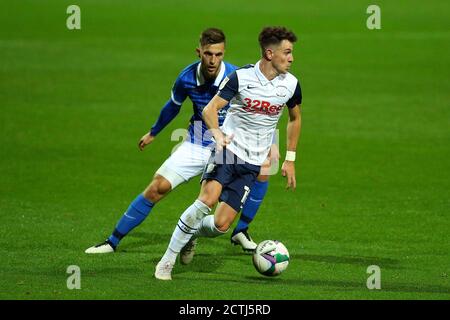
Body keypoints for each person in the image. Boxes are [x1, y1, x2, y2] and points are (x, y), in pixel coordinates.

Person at [85, 28, 274, 254]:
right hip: (198, 141)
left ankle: (240, 231)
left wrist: (270, 144)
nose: (213, 60)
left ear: (224, 53)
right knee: (158, 187)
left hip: (230, 149)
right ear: (199, 52)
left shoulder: (237, 77)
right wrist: (153, 132)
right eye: (208, 54)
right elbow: (173, 106)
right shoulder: (186, 78)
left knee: (264, 170)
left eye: (218, 54)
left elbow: (262, 112)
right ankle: (112, 241)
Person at [154, 26, 302, 280]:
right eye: (287, 53)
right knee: (206, 201)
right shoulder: (241, 78)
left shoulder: (291, 84)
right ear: (269, 53)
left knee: (221, 225)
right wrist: (217, 134)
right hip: (228, 152)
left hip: (253, 163)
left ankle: (191, 233)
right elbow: (210, 110)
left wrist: (290, 158)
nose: (291, 58)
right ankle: (166, 262)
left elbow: (295, 118)